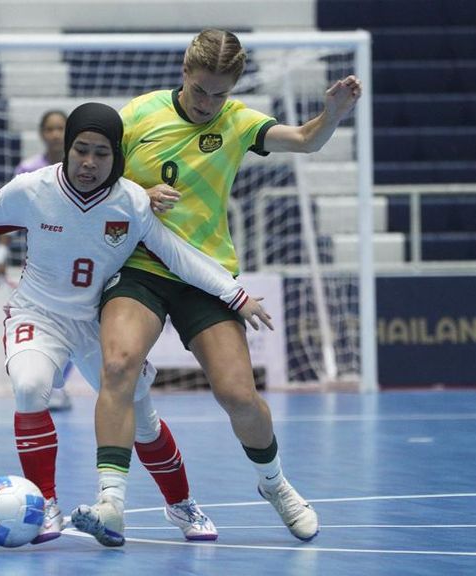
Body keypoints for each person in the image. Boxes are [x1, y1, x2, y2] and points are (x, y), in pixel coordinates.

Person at [0, 103, 272, 545]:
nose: (89, 162)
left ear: (116, 156)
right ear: (66, 148)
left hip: (96, 323)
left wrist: (235, 296)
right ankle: (46, 505)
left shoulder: (132, 202)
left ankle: (181, 505)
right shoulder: (32, 188)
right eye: (81, 150)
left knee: (143, 421)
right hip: (38, 315)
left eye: (101, 153)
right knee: (29, 386)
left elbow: (178, 256)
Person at [72, 29, 362, 547]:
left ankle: (276, 486)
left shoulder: (237, 121)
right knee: (117, 365)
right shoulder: (138, 115)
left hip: (205, 273)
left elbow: (304, 140)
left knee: (239, 397)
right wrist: (138, 191)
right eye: (201, 89)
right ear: (185, 72)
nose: (208, 103)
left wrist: (333, 114)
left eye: (220, 94)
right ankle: (111, 501)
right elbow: (93, 174)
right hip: (140, 265)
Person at [0, 110, 74, 412]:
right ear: (41, 133)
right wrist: (1, 256)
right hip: (43, 264)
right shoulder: (27, 169)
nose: (55, 134)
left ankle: (57, 384)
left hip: (81, 262)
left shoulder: (84, 168)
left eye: (60, 128)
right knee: (47, 327)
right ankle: (52, 385)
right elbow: (10, 216)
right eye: (50, 128)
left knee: (78, 326)